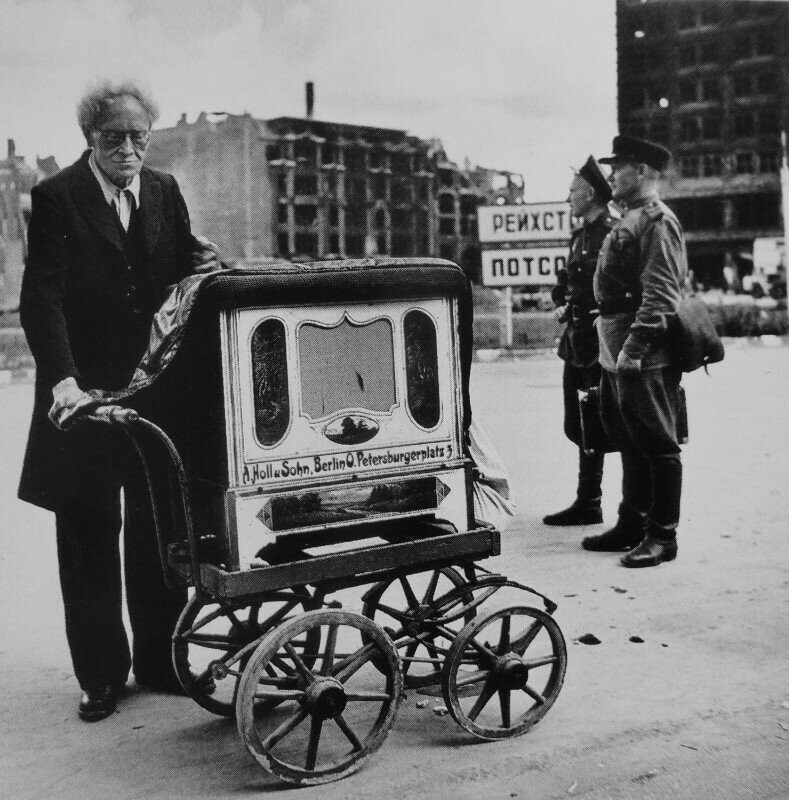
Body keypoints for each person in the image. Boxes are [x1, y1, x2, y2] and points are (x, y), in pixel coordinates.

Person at [18, 80, 219, 721]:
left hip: (149, 392)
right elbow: (41, 297)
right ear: (90, 141)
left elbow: (174, 263)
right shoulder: (57, 198)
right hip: (81, 397)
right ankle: (102, 675)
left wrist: (201, 260)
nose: (129, 149)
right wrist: (64, 382)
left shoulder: (163, 190)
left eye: (139, 137)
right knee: (87, 531)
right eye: (115, 139)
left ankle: (160, 662)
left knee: (156, 528)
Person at [582, 135, 686, 568]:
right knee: (626, 435)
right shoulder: (633, 217)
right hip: (616, 341)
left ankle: (663, 535)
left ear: (642, 171)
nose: (610, 175)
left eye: (618, 166)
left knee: (657, 441)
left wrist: (635, 348)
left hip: (640, 349)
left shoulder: (657, 221)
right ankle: (632, 522)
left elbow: (661, 294)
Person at [543, 156, 613, 527]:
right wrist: (562, 302)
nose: (568, 197)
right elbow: (570, 284)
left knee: (602, 422)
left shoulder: (611, 233)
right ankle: (588, 500)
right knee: (578, 424)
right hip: (578, 341)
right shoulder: (581, 235)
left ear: (590, 193)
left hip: (602, 342)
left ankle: (592, 501)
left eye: (573, 191)